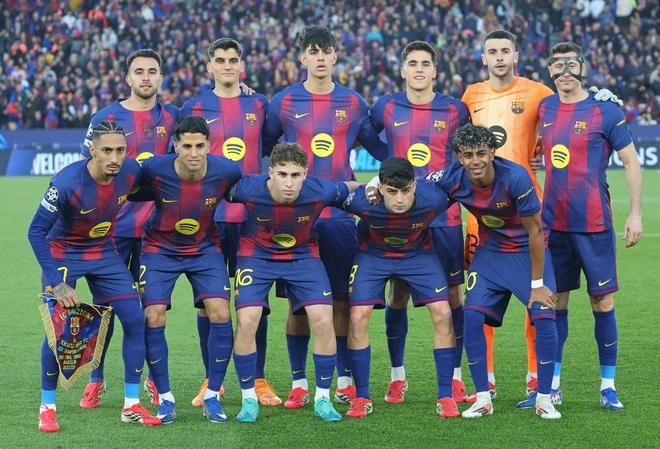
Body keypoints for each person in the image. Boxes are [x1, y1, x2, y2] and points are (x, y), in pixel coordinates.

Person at [461, 30, 624, 402]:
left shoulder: (539, 93)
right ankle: (486, 380)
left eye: (505, 51)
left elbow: (571, 102)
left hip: (528, 212)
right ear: (483, 58)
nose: (499, 57)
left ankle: (537, 378)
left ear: (516, 56)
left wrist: (601, 94)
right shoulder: (470, 95)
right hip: (481, 215)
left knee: (538, 293)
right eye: (492, 51)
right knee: (478, 298)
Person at [262, 25, 387, 407]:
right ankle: (299, 382)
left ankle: (345, 378)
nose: (319, 57)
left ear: (335, 56)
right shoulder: (283, 101)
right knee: (297, 305)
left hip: (340, 216)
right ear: (302, 57)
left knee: (342, 300)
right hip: (296, 217)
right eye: (312, 51)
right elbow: (262, 145)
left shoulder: (353, 102)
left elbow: (381, 148)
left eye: (325, 51)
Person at [28, 121, 160, 432]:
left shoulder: (130, 171)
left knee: (134, 319)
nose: (114, 158)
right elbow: (35, 231)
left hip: (102, 251)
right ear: (92, 151)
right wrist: (57, 283)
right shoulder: (66, 183)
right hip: (63, 252)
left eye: (120, 150)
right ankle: (47, 407)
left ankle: (131, 404)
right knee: (59, 329)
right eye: (107, 150)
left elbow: (151, 189)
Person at [538, 41, 642, 411]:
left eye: (571, 63)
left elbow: (631, 161)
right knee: (556, 303)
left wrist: (635, 213)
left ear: (582, 66)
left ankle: (608, 386)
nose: (565, 71)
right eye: (558, 64)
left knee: (602, 301)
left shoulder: (605, 110)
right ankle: (552, 385)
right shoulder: (544, 107)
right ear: (550, 70)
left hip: (594, 224)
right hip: (554, 226)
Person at [432, 123, 561, 420]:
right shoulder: (453, 177)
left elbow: (536, 231)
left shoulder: (516, 177)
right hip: (490, 254)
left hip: (527, 252)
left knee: (544, 315)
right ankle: (482, 398)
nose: (475, 160)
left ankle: (544, 397)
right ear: (459, 157)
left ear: (492, 152)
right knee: (472, 316)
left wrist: (537, 284)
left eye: (481, 153)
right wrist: (375, 184)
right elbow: (418, 186)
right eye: (468, 155)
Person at [227, 142, 360, 423]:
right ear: (271, 172)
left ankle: (322, 398)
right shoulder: (247, 188)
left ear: (305, 174)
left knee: (322, 319)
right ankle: (248, 398)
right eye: (283, 174)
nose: (289, 182)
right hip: (256, 256)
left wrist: (373, 187)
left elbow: (349, 187)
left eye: (296, 175)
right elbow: (215, 188)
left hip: (303, 256)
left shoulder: (320, 190)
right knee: (247, 320)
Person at [180, 38, 280, 407]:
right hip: (207, 218)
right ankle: (213, 380)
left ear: (241, 66)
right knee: (207, 302)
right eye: (220, 60)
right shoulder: (193, 107)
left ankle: (259, 378)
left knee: (256, 301)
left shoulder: (259, 104)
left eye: (233, 60)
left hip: (252, 218)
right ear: (209, 66)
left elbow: (270, 145)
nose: (226, 66)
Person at [369, 40, 470, 404]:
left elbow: (469, 150)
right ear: (403, 70)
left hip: (444, 217)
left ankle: (455, 376)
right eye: (412, 63)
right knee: (398, 293)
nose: (419, 69)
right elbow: (364, 134)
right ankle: (397, 376)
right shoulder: (386, 106)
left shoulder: (455, 109)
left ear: (435, 70)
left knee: (453, 295)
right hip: (400, 217)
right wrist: (389, 164)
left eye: (425, 63)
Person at [80, 49, 179, 408]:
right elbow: (87, 169)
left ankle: (152, 377)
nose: (146, 77)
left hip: (157, 231)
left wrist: (241, 89)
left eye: (152, 71)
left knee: (152, 309)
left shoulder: (174, 116)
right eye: (139, 71)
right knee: (104, 307)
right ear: (127, 78)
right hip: (113, 230)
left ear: (161, 78)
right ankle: (96, 378)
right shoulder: (105, 117)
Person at [129, 116, 242, 423]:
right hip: (159, 249)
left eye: (200, 146)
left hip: (204, 249)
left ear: (209, 145)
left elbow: (254, 191)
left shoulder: (227, 171)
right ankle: (165, 398)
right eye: (187, 146)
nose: (194, 153)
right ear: (175, 146)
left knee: (221, 313)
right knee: (153, 316)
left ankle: (212, 394)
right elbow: (121, 185)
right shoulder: (153, 169)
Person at [342, 157, 459, 419]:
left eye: (405, 191)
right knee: (358, 318)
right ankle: (362, 396)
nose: (399, 199)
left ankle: (446, 396)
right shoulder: (362, 201)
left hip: (418, 255)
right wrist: (368, 184)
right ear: (381, 188)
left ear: (414, 185)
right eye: (392, 191)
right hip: (373, 256)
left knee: (443, 313)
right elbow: (330, 192)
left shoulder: (434, 198)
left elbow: (462, 177)